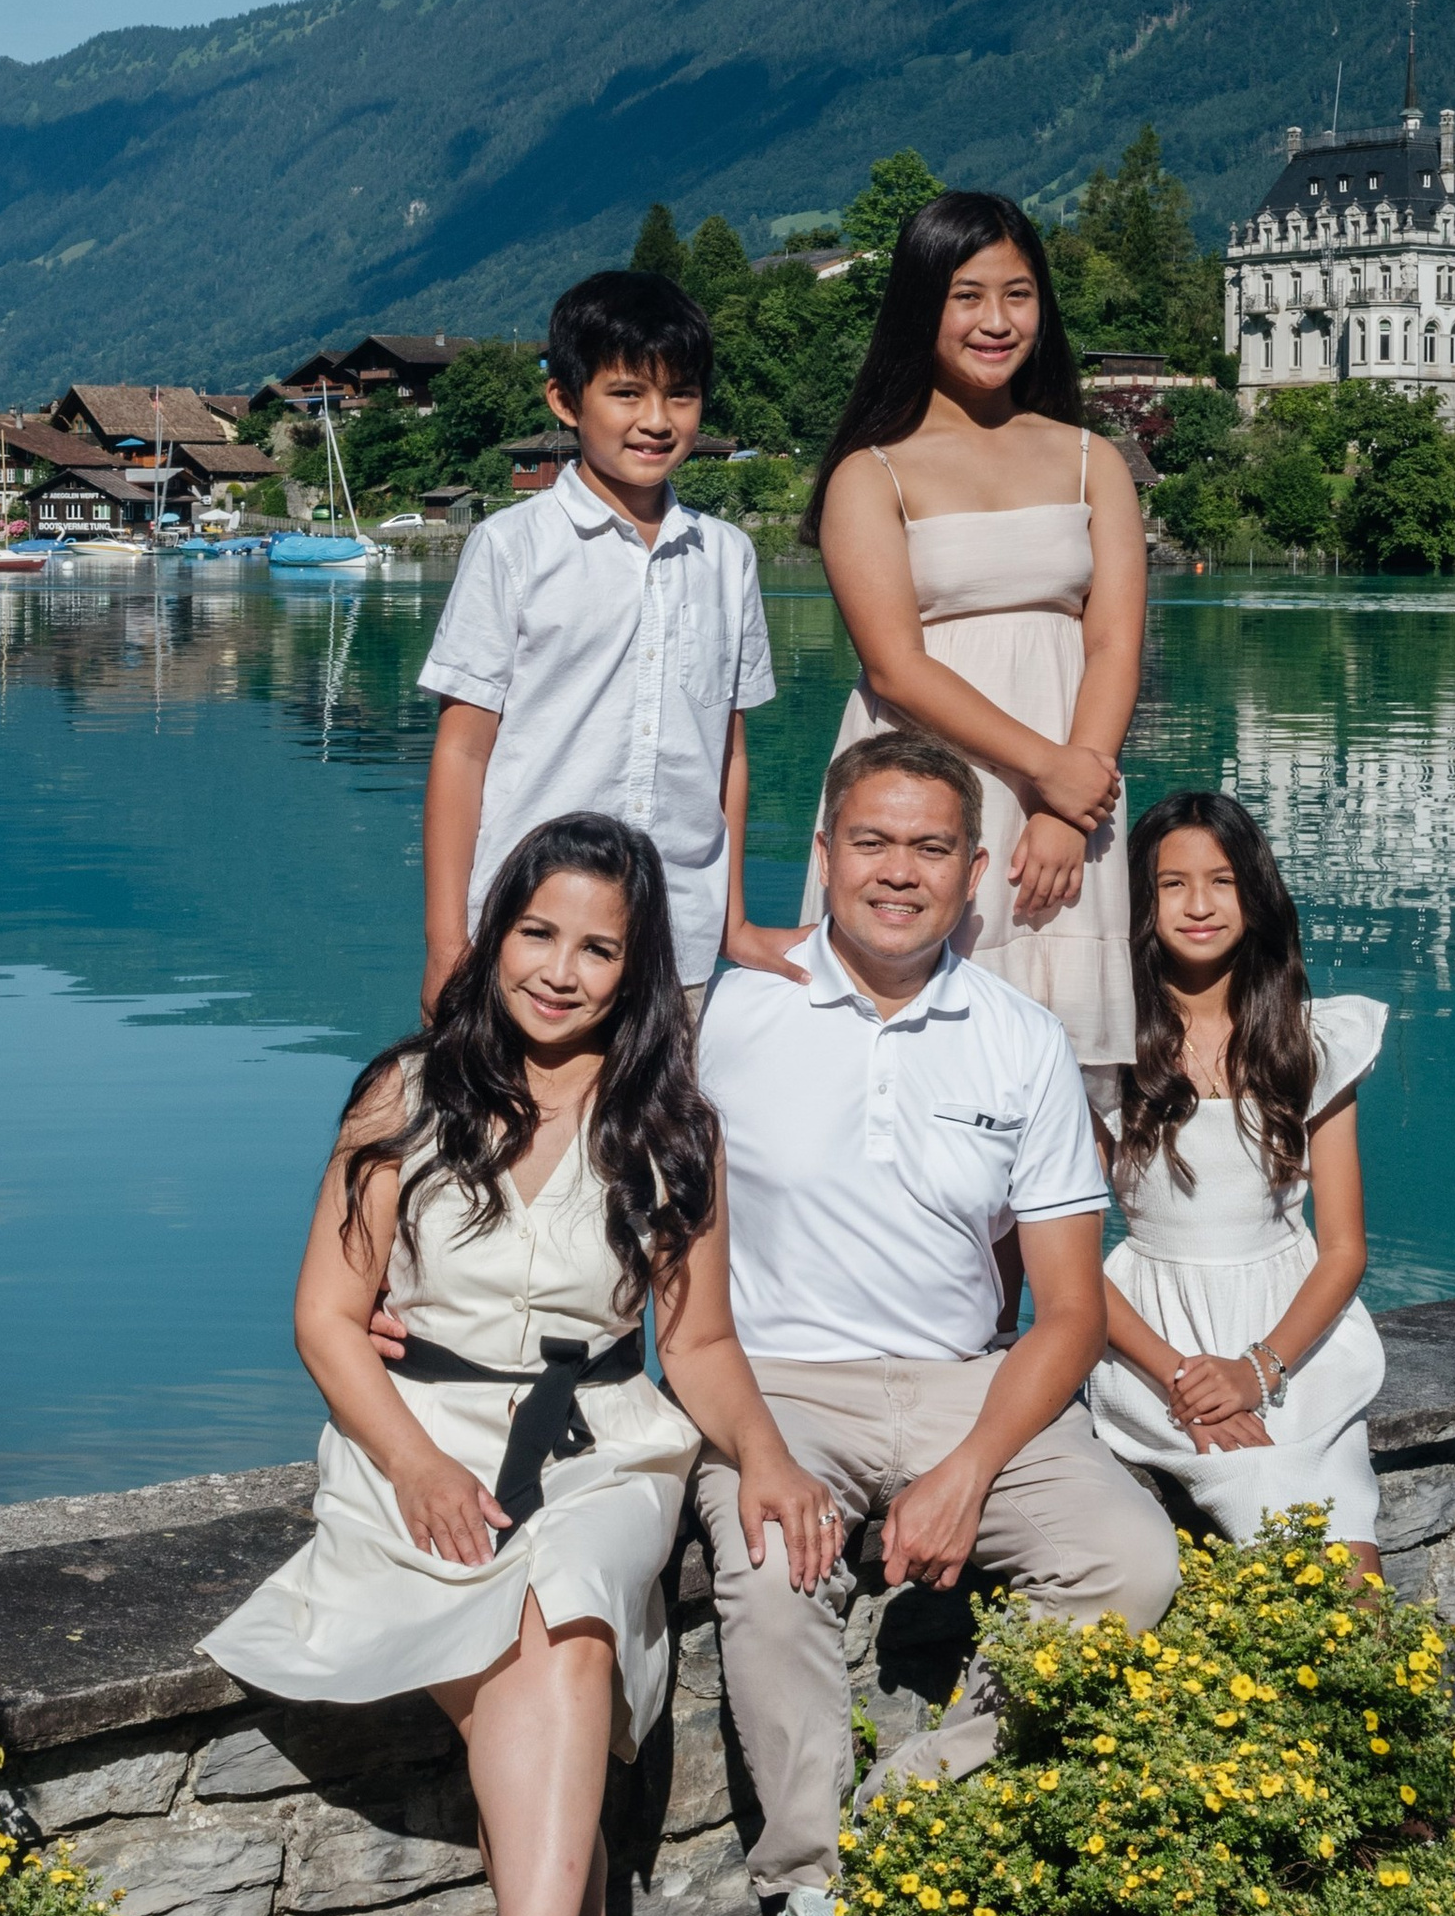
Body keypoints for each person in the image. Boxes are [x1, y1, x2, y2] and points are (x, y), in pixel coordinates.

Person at [200, 813, 840, 1916]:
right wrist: (420, 1466)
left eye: (598, 947)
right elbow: (324, 1315)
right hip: (414, 1439)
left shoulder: (673, 1128)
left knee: (566, 1589)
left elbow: (707, 1347)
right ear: (496, 933)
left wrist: (775, 1462)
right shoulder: (405, 1093)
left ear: (636, 967)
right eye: (538, 932)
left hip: (607, 1447)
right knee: (546, 1651)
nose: (561, 969)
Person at [694, 730, 1182, 1916]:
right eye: (871, 840)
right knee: (766, 1561)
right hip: (780, 1375)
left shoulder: (1022, 1044)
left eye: (927, 848)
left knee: (1132, 1558)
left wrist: (972, 1463)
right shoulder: (732, 1012)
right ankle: (809, 1893)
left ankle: (914, 1802)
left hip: (974, 1378)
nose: (896, 872)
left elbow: (1070, 1312)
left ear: (974, 874)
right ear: (825, 854)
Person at [802, 192, 1145, 1109]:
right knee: (904, 1075)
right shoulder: (870, 472)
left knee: (1060, 1096)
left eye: (1019, 294)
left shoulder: (1091, 459)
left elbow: (1113, 643)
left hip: (1077, 794)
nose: (997, 321)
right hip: (926, 775)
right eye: (967, 295)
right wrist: (1049, 773)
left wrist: (1071, 807)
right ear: (922, 306)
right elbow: (894, 668)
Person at [419, 267, 793, 1023]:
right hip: (527, 939)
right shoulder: (510, 547)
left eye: (680, 395)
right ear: (564, 399)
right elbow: (461, 752)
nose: (656, 420)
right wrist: (444, 944)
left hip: (675, 940)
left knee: (657, 1138)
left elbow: (730, 753)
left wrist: (735, 922)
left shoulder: (727, 557)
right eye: (626, 394)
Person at [1088, 791, 1389, 1581]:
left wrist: (1258, 1370)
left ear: (1255, 895)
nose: (1198, 905)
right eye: (1171, 883)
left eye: (1221, 881)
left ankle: (1377, 1700)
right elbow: (1073, 1261)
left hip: (1296, 1339)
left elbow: (1345, 1248)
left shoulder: (1314, 1041)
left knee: (1351, 1553)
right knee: (1272, 1506)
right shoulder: (1103, 1054)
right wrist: (1187, 1378)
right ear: (1139, 900)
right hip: (1155, 1340)